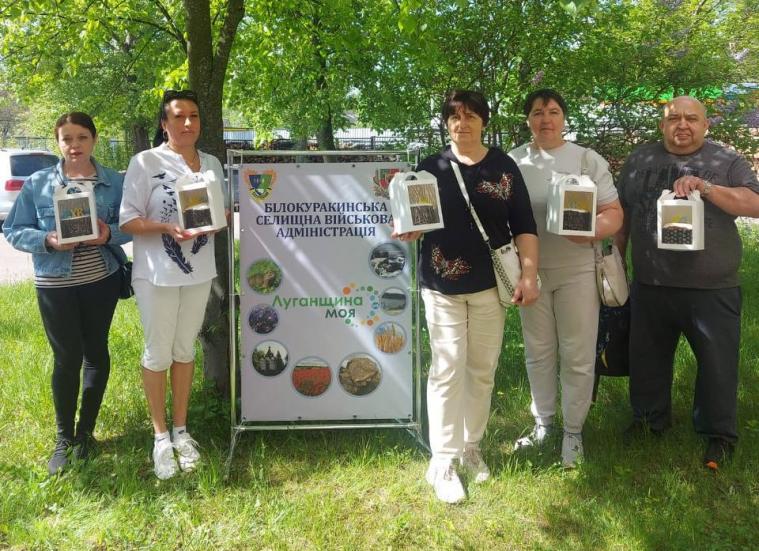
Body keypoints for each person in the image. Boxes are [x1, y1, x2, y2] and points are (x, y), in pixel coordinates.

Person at [395, 90, 539, 503]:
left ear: (484, 121)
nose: (463, 123)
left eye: (471, 116)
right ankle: (442, 460)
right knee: (446, 368)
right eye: (455, 117)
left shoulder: (504, 166)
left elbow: (525, 224)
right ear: (446, 124)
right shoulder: (430, 169)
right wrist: (410, 229)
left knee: (481, 369)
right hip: (441, 287)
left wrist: (529, 275)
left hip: (492, 286)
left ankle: (470, 446)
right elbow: (416, 222)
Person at [614, 95, 759, 470]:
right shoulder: (640, 159)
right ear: (662, 124)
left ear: (705, 124)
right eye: (673, 118)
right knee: (647, 360)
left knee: (717, 365)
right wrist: (616, 260)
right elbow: (624, 214)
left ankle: (718, 435)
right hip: (651, 282)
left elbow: (754, 203)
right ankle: (649, 422)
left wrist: (707, 188)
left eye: (691, 119)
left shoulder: (725, 160)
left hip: (711, 287)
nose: (682, 125)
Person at [3, 112, 130, 475]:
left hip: (100, 281)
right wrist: (47, 240)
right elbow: (13, 230)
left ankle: (86, 433)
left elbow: (132, 225)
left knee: (96, 353)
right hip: (55, 285)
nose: (74, 145)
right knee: (66, 358)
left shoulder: (112, 183)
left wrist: (109, 234)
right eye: (66, 139)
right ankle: (64, 439)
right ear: (58, 142)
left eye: (81, 138)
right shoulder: (39, 183)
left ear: (94, 140)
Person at [508, 89, 623, 467]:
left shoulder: (586, 160)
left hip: (578, 271)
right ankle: (544, 424)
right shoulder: (514, 162)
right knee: (538, 352)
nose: (546, 119)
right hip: (531, 272)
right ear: (528, 119)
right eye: (538, 112)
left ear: (564, 118)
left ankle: (573, 431)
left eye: (554, 111)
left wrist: (589, 232)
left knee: (577, 353)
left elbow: (613, 213)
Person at [119, 90, 225, 480]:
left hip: (199, 273)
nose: (187, 124)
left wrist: (219, 219)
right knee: (158, 352)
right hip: (157, 274)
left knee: (184, 349)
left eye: (194, 116)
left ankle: (182, 431)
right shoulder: (145, 162)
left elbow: (218, 210)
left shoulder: (211, 162)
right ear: (164, 123)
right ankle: (160, 437)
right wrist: (166, 227)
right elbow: (127, 220)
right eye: (178, 117)